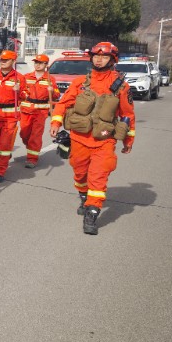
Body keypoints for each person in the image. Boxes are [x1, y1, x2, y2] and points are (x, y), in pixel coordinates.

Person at [49, 42, 135, 235]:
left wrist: (128, 140)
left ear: (113, 60)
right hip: (79, 138)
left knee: (98, 178)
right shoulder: (80, 82)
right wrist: (55, 123)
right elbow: (63, 104)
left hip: (104, 141)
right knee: (80, 174)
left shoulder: (121, 87)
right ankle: (83, 195)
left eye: (104, 57)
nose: (99, 59)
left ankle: (92, 213)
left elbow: (128, 115)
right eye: (96, 56)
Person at [0, 49, 27, 183]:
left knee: (4, 145)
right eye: (1, 59)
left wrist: (19, 91)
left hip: (10, 117)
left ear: (13, 62)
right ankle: (4, 158)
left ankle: (0, 170)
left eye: (6, 60)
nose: (2, 62)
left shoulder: (19, 78)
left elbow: (26, 96)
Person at [19, 54, 60, 168]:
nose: (37, 65)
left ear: (46, 65)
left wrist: (52, 91)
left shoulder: (50, 79)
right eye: (36, 62)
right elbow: (21, 92)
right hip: (26, 109)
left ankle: (32, 159)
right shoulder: (26, 77)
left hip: (41, 112)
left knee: (35, 135)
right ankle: (30, 148)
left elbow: (56, 95)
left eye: (40, 63)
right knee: (24, 133)